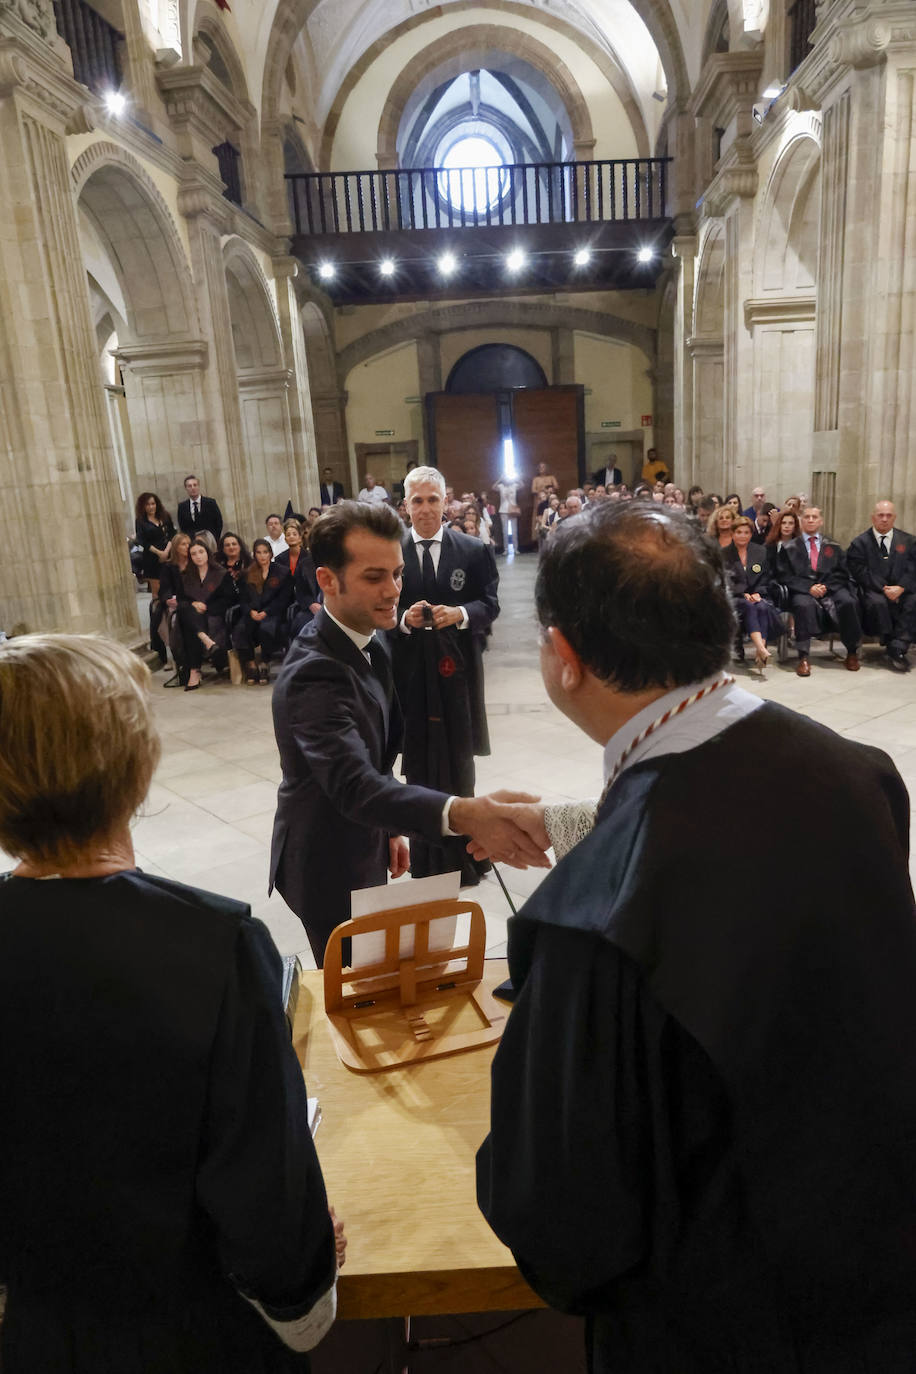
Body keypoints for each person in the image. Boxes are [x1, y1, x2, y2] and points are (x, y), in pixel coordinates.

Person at [476, 501, 916, 1374]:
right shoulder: (860, 774)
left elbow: (559, 1216)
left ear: (564, 660)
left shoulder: (592, 915)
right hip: (880, 1277)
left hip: (717, 1326)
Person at [0, 633, 343, 1373]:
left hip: (37, 1335)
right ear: (134, 766)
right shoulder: (214, 944)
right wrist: (306, 1282)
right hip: (195, 1336)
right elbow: (269, 1204)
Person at [269, 500, 548, 965]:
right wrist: (464, 813)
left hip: (364, 835)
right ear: (327, 580)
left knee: (384, 980)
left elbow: (376, 761)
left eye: (397, 574)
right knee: (356, 995)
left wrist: (390, 829)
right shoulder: (314, 673)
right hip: (326, 860)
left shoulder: (372, 637)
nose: (393, 590)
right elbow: (354, 785)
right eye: (374, 577)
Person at [392, 467, 500, 884]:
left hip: (458, 674)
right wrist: (403, 621)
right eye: (417, 501)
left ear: (446, 502)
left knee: (459, 763)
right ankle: (427, 859)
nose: (425, 508)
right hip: (410, 676)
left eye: (432, 499)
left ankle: (467, 858)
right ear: (405, 505)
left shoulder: (472, 550)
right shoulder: (392, 551)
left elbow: (490, 604)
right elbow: (378, 610)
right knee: (418, 763)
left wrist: (459, 614)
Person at [778, 505, 862, 676]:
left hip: (831, 587)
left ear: (821, 521)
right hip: (802, 590)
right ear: (801, 522)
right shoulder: (789, 548)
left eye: (814, 517)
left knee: (849, 602)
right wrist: (808, 588)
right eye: (807, 517)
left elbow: (842, 573)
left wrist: (826, 587)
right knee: (803, 605)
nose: (810, 520)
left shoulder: (834, 546)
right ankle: (803, 657)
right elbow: (784, 576)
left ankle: (852, 652)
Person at [847, 500, 916, 672]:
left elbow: (912, 568)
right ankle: (893, 643)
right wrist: (885, 589)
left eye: (888, 515)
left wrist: (901, 587)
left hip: (902, 589)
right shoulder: (860, 543)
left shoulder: (908, 541)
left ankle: (897, 646)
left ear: (894, 518)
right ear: (873, 517)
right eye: (880, 515)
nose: (884, 519)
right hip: (874, 589)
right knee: (877, 603)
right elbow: (859, 571)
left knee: (913, 600)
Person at [724, 515, 782, 670]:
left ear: (751, 534)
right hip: (733, 598)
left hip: (757, 596)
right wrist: (742, 593)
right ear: (732, 534)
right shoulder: (724, 554)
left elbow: (766, 577)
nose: (743, 536)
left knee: (761, 606)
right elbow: (725, 581)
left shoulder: (760, 551)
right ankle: (762, 650)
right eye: (739, 532)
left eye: (746, 532)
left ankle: (760, 653)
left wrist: (758, 593)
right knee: (748, 606)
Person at [177, 538, 234, 691]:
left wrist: (206, 607)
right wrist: (194, 603)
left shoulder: (221, 574)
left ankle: (194, 671)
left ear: (207, 553)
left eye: (201, 552)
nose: (198, 556)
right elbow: (181, 599)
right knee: (185, 609)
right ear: (190, 557)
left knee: (189, 625)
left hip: (214, 614)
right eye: (194, 554)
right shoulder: (186, 576)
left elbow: (229, 599)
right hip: (193, 615)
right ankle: (206, 641)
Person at [234, 538, 293, 684]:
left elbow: (283, 599)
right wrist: (250, 612)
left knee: (266, 628)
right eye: (259, 552)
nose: (262, 556)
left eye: (265, 552)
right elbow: (243, 600)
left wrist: (266, 612)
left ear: (270, 553)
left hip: (273, 613)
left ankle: (265, 663)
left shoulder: (282, 572)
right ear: (254, 554)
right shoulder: (247, 574)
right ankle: (251, 664)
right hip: (253, 613)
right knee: (240, 630)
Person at [276, 519, 321, 637]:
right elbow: (301, 590)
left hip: (333, 607)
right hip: (308, 605)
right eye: (288, 534)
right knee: (299, 624)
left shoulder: (338, 561)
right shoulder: (306, 563)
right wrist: (311, 604)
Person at [134, 492, 174, 599]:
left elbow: (172, 534)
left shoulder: (165, 516)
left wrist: (166, 551)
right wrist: (159, 553)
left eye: (153, 504)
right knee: (157, 592)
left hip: (168, 552)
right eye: (148, 504)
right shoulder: (140, 521)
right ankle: (157, 613)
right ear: (143, 506)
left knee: (172, 587)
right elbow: (142, 540)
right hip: (152, 557)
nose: (151, 507)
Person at [177, 474, 223, 539]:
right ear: (186, 488)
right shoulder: (182, 507)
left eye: (195, 485)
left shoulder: (210, 503)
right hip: (192, 542)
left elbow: (219, 523)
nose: (193, 488)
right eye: (189, 486)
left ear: (198, 486)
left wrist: (214, 539)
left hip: (210, 541)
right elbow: (183, 528)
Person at [491, 475, 521, 555]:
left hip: (513, 509)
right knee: (505, 530)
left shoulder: (514, 485)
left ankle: (516, 549)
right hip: (503, 510)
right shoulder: (501, 486)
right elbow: (493, 487)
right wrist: (500, 479)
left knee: (514, 530)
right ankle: (506, 549)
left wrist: (516, 478)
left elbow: (522, 485)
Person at [530, 463, 557, 541]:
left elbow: (556, 486)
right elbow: (533, 490)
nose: (541, 469)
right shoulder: (536, 479)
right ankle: (538, 539)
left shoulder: (551, 477)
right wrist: (542, 490)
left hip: (551, 502)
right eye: (540, 467)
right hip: (539, 501)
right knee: (539, 519)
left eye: (543, 467)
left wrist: (549, 490)